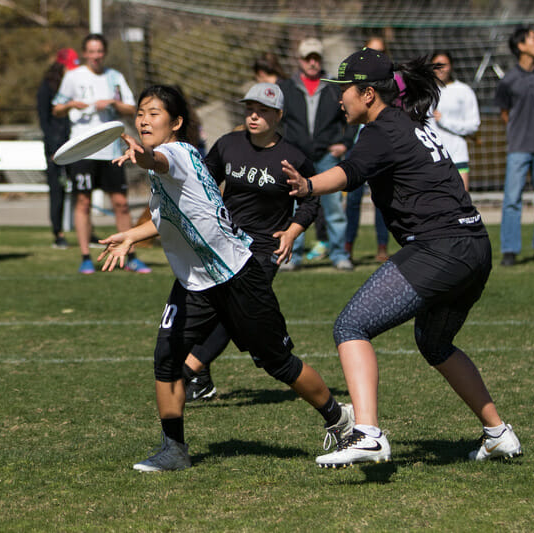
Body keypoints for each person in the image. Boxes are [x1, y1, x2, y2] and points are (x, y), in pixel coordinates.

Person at [282, 48, 522, 467]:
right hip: (475, 246)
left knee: (351, 325)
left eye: (345, 90)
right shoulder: (409, 120)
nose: (340, 98)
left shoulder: (381, 130)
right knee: (434, 342)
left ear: (369, 95)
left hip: (440, 248)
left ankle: (369, 434)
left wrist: (307, 186)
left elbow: (350, 173)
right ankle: (498, 433)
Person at [98, 85, 354, 472]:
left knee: (277, 362)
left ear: (177, 123)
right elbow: (169, 213)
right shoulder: (210, 152)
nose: (145, 119)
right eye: (141, 113)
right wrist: (131, 236)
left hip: (238, 274)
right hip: (193, 282)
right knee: (166, 359)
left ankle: (340, 419)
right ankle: (174, 449)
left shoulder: (179, 153)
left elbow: (160, 161)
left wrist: (144, 156)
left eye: (154, 113)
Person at [181, 82, 321, 402]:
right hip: (224, 241)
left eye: (263, 111)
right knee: (213, 306)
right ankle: (201, 378)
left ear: (279, 115)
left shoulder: (293, 157)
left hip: (263, 249)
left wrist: (292, 232)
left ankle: (189, 369)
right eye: (249, 109)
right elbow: (205, 182)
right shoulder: (229, 144)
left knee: (237, 311)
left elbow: (312, 202)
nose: (254, 116)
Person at [52, 33, 150, 274]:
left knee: (120, 203)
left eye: (99, 51)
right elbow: (56, 109)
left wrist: (113, 104)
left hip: (111, 150)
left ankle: (130, 255)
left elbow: (131, 108)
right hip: (83, 150)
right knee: (83, 202)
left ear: (104, 53)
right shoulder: (73, 77)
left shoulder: (114, 77)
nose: (96, 56)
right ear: (85, 53)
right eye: (91, 51)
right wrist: (70, 105)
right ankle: (86, 256)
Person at [279, 37, 356, 271]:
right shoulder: (285, 88)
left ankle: (339, 254)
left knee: (334, 208)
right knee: (293, 208)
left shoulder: (335, 87)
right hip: (295, 158)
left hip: (327, 157)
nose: (312, 63)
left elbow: (352, 117)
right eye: (307, 58)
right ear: (300, 60)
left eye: (316, 58)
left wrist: (344, 142)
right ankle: (292, 255)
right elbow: (276, 120)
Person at [495, 27, 534, 266]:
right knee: (512, 199)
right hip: (518, 148)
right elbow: (504, 112)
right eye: (533, 39)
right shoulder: (508, 80)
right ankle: (510, 250)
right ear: (520, 46)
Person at [344, 36, 391, 263]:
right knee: (352, 201)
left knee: (380, 198)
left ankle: (383, 246)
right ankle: (347, 246)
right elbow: (340, 118)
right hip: (356, 149)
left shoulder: (389, 87)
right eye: (371, 51)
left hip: (380, 151)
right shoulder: (352, 84)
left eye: (381, 51)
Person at [37, 48, 80, 249]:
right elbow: (44, 121)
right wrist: (54, 147)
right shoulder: (47, 88)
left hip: (76, 144)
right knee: (57, 191)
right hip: (56, 147)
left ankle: (84, 230)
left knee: (82, 190)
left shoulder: (76, 85)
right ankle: (58, 233)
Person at [429, 50, 481, 190]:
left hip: (457, 156)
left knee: (460, 205)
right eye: (436, 65)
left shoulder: (464, 91)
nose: (440, 69)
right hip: (430, 159)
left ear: (451, 66)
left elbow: (473, 125)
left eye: (444, 65)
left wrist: (445, 122)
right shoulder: (424, 92)